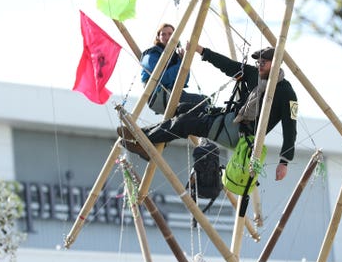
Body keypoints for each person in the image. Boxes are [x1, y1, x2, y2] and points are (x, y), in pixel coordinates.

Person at [119, 46, 298, 181]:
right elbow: (228, 65)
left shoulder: (286, 92)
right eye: (258, 62)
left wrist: (284, 162)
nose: (259, 65)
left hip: (240, 133)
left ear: (275, 63)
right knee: (183, 108)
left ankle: (142, 138)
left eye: (263, 62)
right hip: (229, 119)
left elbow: (290, 128)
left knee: (185, 122)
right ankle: (147, 144)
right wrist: (202, 51)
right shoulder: (254, 75)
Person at [141, 23, 210, 115]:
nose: (167, 37)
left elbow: (184, 81)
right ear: (158, 37)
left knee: (206, 101)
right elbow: (162, 78)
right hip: (158, 96)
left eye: (170, 34)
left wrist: (183, 61)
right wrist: (180, 64)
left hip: (172, 93)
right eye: (163, 34)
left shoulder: (175, 56)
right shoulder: (151, 55)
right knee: (202, 102)